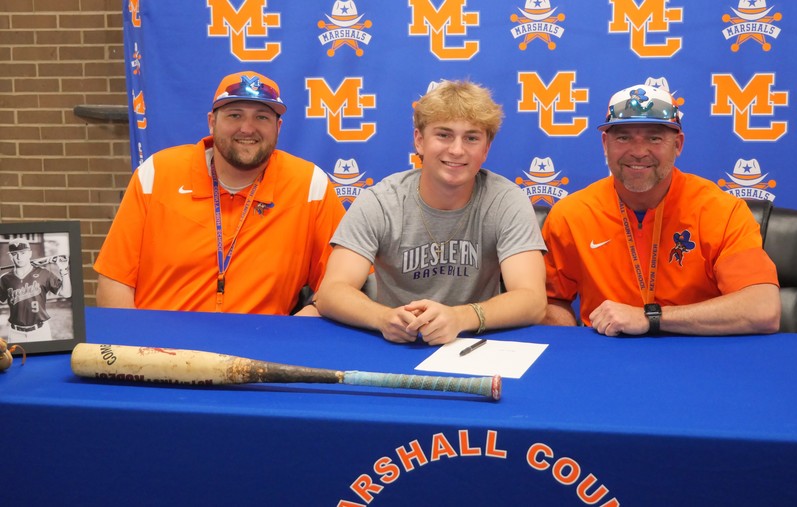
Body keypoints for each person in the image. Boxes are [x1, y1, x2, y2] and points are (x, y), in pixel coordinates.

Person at [314, 80, 547, 345]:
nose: (457, 150)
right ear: (420, 141)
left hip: (476, 343)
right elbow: (331, 291)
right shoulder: (381, 201)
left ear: (486, 149)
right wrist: (382, 318)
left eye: (471, 138)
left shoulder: (505, 200)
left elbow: (533, 300)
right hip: (398, 342)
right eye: (444, 135)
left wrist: (460, 318)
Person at [94, 71, 345, 315]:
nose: (247, 128)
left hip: (260, 350)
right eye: (234, 115)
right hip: (160, 349)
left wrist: (296, 330)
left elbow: (343, 285)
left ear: (278, 127)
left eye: (262, 117)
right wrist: (137, 350)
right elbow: (115, 281)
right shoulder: (157, 173)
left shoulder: (310, 185)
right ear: (212, 123)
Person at [541, 83, 781, 336]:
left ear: (678, 144)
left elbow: (764, 308)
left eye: (654, 138)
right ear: (605, 144)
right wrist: (571, 343)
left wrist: (650, 318)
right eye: (623, 137)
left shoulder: (721, 211)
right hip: (607, 356)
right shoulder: (571, 214)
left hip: (699, 352)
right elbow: (549, 301)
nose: (638, 152)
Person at [1, 238, 72, 342]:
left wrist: (63, 270)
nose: (19, 257)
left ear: (29, 253)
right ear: (11, 256)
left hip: (40, 331)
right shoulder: (5, 279)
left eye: (23, 253)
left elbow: (66, 293)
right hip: (15, 333)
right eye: (15, 253)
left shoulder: (44, 273)